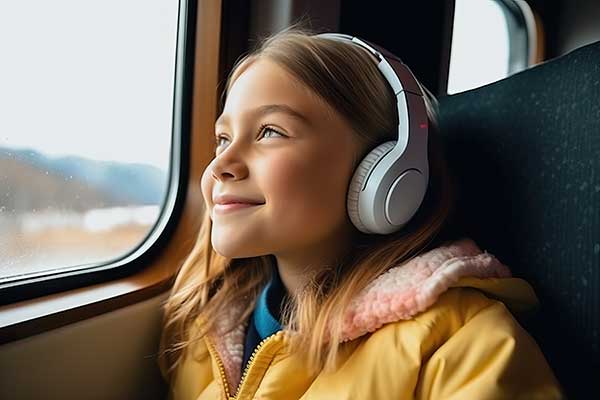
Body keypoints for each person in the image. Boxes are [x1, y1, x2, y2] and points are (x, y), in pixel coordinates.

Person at [158, 24, 564, 399]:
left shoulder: (461, 343)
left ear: (383, 170)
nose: (220, 166)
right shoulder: (203, 330)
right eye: (223, 138)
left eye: (270, 132)